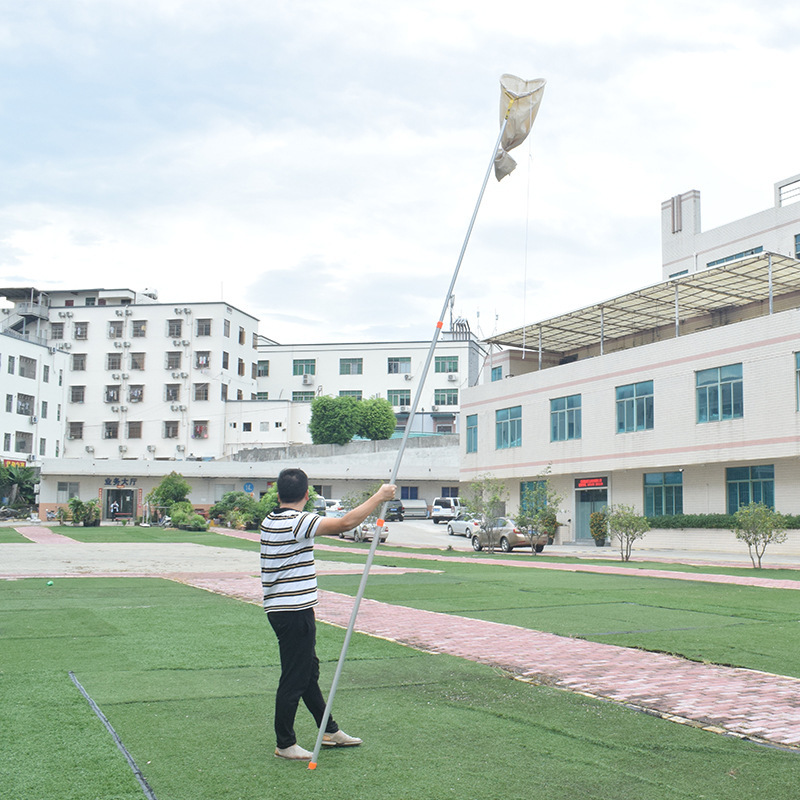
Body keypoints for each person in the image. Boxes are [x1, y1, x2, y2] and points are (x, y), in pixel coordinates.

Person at [261, 468, 396, 761]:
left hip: (283, 610)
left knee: (307, 673)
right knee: (295, 679)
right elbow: (345, 523)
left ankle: (329, 729)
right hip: (294, 611)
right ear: (307, 495)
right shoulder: (298, 521)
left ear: (278, 494)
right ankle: (285, 743)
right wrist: (380, 495)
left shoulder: (270, 520)